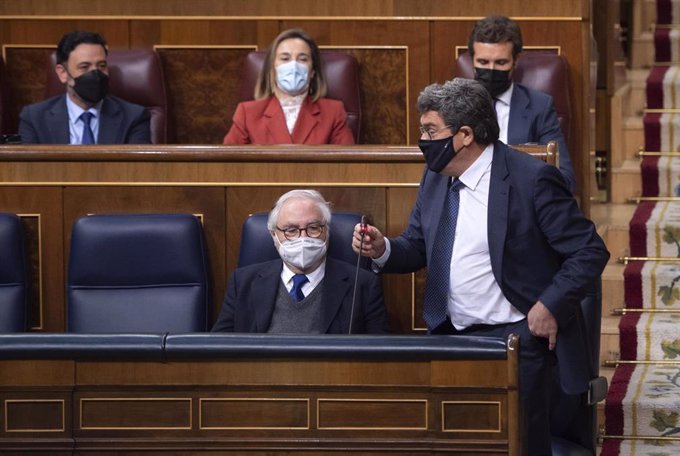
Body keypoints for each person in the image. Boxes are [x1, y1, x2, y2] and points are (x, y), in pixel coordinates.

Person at [351, 78, 609, 455]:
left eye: (430, 130)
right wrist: (382, 249)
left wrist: (550, 305)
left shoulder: (531, 179)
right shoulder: (436, 178)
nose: (422, 139)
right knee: (453, 444)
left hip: (516, 340)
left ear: (465, 134)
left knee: (517, 445)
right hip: (448, 336)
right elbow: (418, 246)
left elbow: (589, 250)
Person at [213, 189, 387, 334]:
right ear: (274, 235)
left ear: (326, 231)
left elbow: (379, 356)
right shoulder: (243, 282)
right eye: (291, 230)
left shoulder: (363, 284)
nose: (303, 237)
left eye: (313, 228)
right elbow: (218, 349)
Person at [468, 15, 576, 194]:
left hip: (519, 202)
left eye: (501, 62)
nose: (491, 69)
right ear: (472, 60)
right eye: (483, 62)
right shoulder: (451, 105)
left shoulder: (539, 107)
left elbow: (564, 177)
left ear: (515, 61)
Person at [223, 28, 354, 145]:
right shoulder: (247, 114)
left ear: (312, 71)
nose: (294, 66)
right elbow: (227, 165)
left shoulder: (333, 112)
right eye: (285, 59)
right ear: (272, 69)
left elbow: (347, 167)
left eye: (302, 59)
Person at [18, 31, 150, 145]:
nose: (96, 74)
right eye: (84, 67)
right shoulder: (34, 118)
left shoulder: (134, 117)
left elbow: (136, 171)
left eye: (102, 65)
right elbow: (29, 171)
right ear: (63, 73)